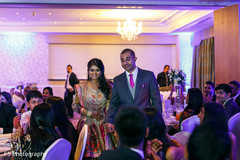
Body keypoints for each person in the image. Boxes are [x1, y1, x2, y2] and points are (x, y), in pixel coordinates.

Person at [106, 48, 162, 131]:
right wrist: (109, 120)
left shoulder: (148, 75)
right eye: (122, 60)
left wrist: (157, 120)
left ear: (135, 59)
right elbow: (114, 103)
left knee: (146, 144)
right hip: (125, 123)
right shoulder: (117, 80)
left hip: (145, 122)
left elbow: (156, 100)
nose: (125, 63)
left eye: (128, 59)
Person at [72, 58, 117, 159]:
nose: (94, 73)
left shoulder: (108, 86)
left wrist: (109, 121)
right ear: (88, 71)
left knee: (107, 154)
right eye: (92, 70)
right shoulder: (80, 87)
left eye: (97, 70)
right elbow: (75, 105)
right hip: (87, 125)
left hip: (104, 124)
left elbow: (111, 105)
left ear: (102, 71)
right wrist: (89, 113)